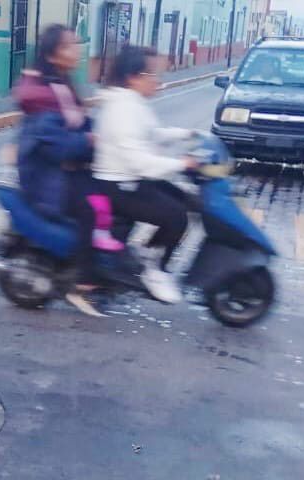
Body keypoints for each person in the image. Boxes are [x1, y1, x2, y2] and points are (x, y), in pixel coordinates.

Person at [13, 24, 106, 316]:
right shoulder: (44, 92)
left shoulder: (62, 83)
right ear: (54, 54)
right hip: (49, 177)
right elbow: (60, 145)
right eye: (69, 46)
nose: (77, 50)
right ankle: (82, 282)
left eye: (77, 44)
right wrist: (90, 141)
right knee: (91, 210)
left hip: (68, 169)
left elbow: (79, 123)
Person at [93, 45, 197, 304]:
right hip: (117, 185)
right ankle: (154, 269)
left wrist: (188, 135)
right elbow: (139, 161)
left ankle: (146, 254)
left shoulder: (132, 103)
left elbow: (153, 133)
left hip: (131, 180)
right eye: (151, 74)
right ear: (132, 77)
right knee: (176, 216)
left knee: (186, 199)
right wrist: (181, 164)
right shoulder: (121, 109)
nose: (157, 81)